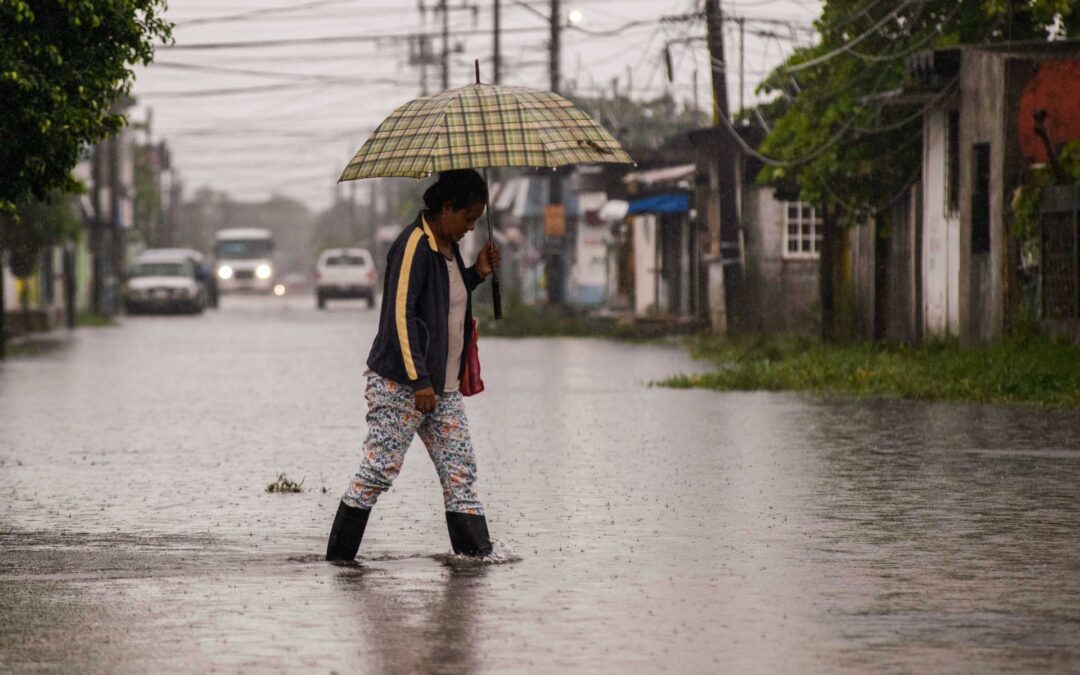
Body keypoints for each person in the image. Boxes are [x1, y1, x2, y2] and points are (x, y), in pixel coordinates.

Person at [325, 169, 500, 561]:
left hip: (444, 389)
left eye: (476, 220)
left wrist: (476, 275)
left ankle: (476, 565)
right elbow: (401, 316)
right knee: (377, 472)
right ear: (446, 208)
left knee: (461, 476)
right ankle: (338, 565)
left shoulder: (450, 249)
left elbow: (443, 302)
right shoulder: (413, 246)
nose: (471, 228)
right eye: (467, 218)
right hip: (400, 386)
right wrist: (419, 381)